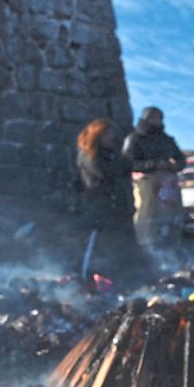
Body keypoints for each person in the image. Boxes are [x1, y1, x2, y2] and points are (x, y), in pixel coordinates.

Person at [75, 119, 141, 283]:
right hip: (100, 209)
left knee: (123, 248)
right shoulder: (89, 155)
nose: (111, 137)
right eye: (107, 134)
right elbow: (104, 173)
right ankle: (87, 280)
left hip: (119, 209)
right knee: (97, 248)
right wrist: (124, 160)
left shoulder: (113, 155)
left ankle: (124, 280)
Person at [122, 107, 185, 254]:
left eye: (158, 118)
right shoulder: (135, 139)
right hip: (146, 185)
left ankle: (172, 248)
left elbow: (180, 159)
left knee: (170, 218)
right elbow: (128, 163)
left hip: (168, 184)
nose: (156, 121)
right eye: (153, 118)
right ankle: (145, 250)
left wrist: (175, 165)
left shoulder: (167, 140)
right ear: (145, 119)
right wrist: (154, 165)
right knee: (147, 218)